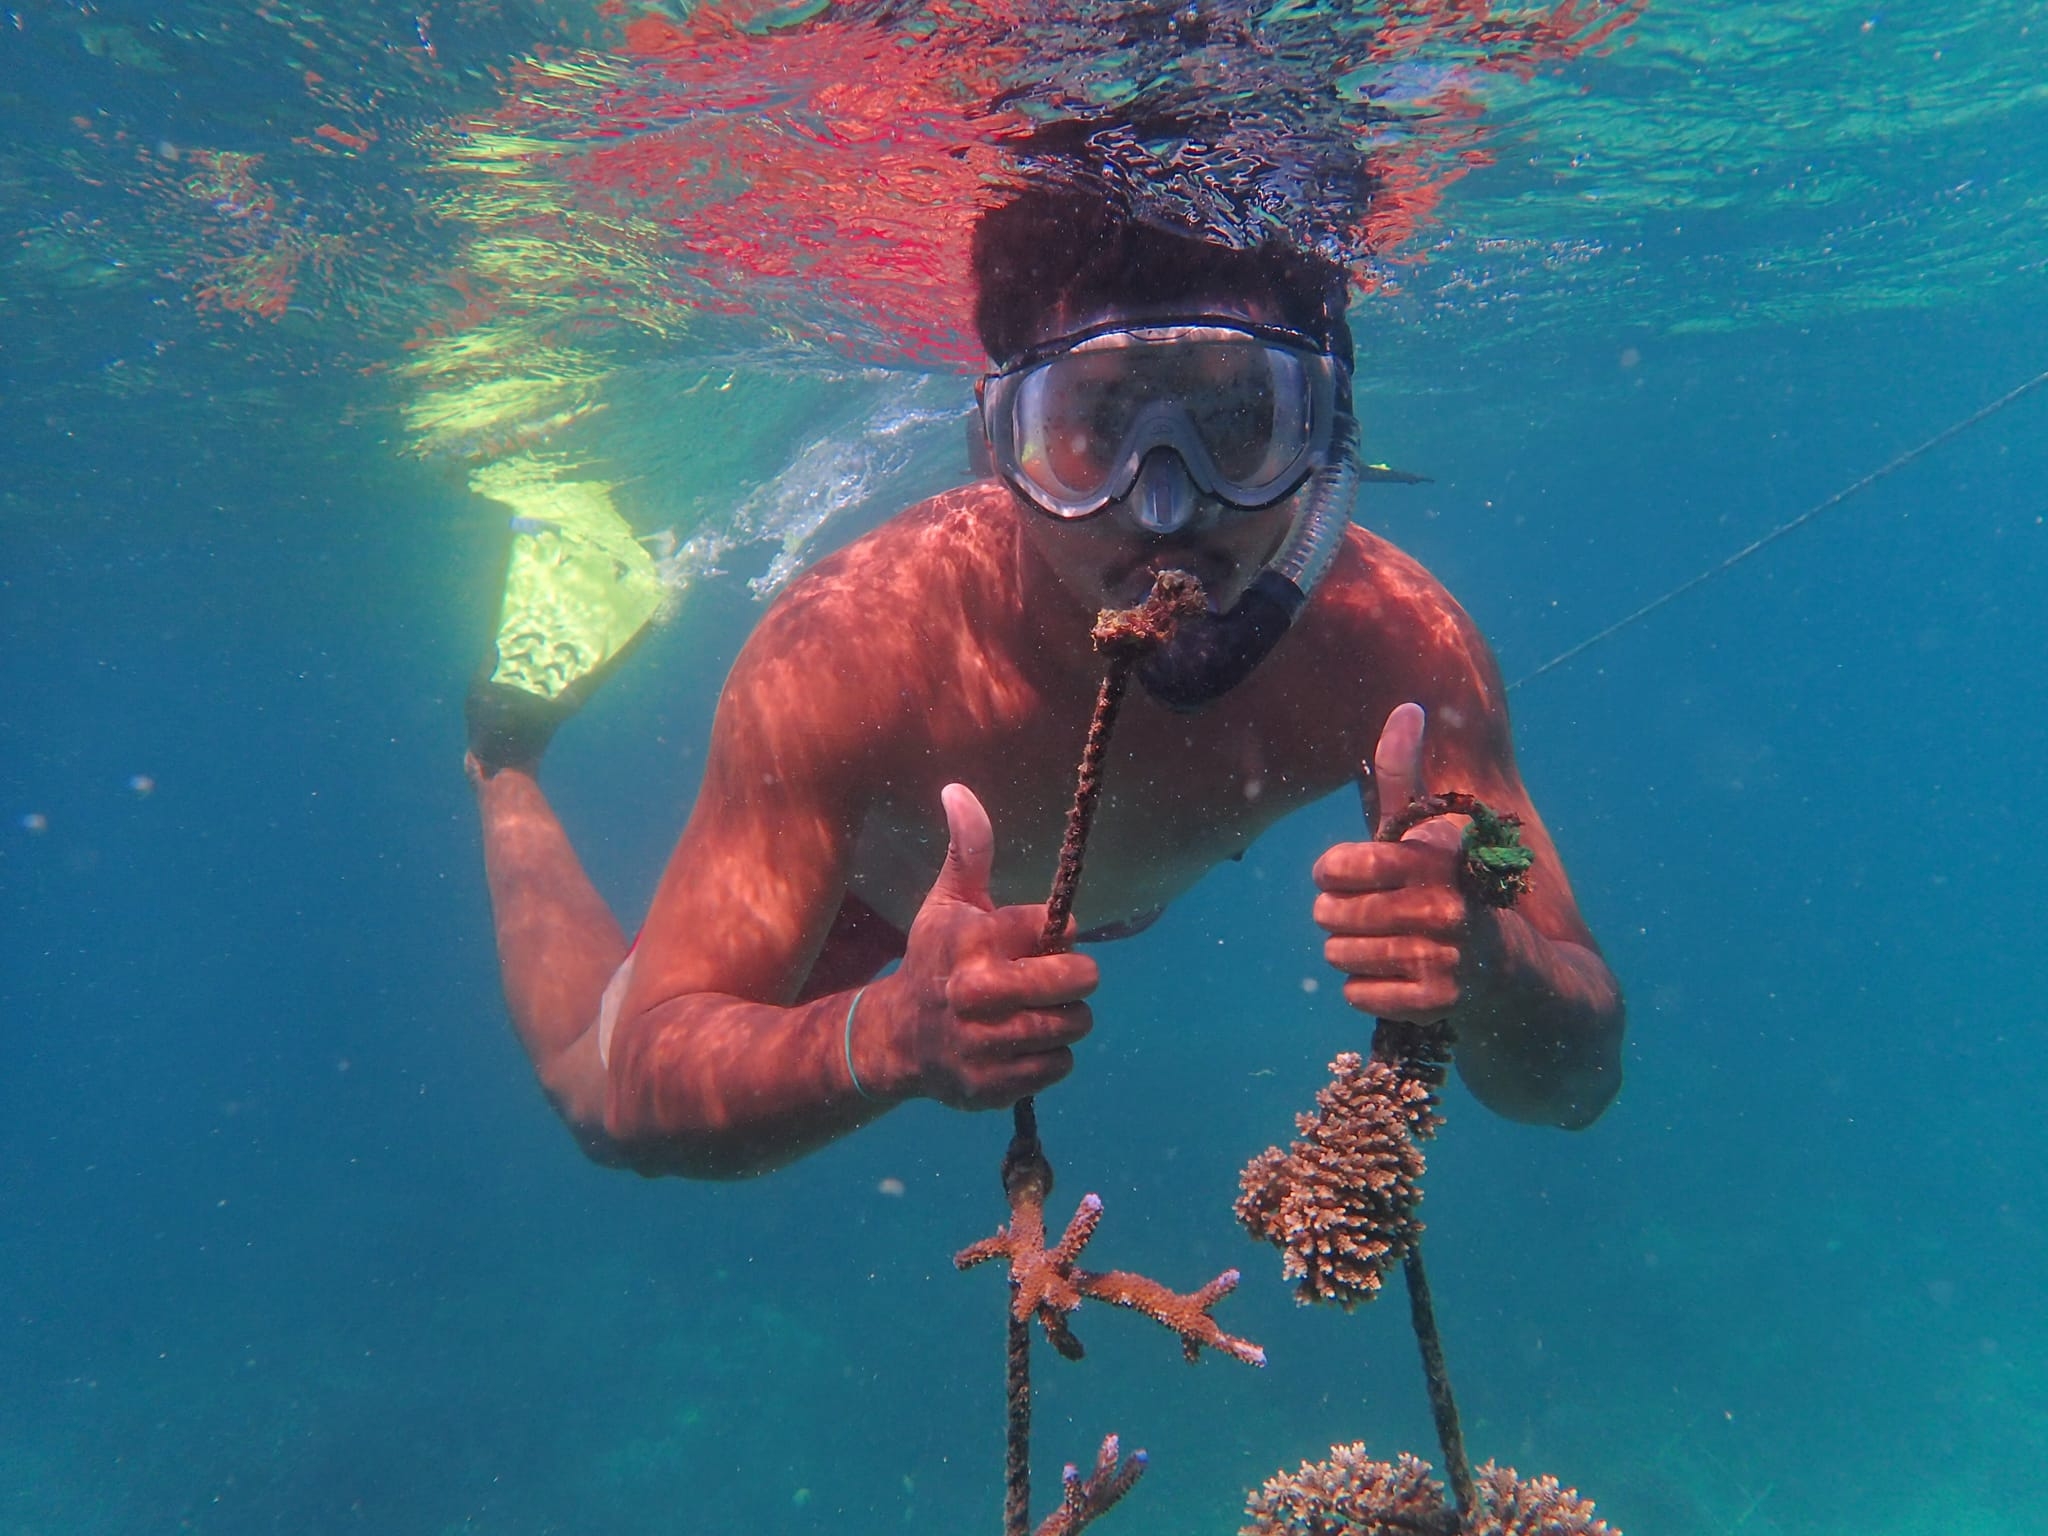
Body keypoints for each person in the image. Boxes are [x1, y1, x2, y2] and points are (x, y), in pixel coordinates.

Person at [465, 186, 1625, 1178]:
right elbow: (640, 1086)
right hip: (888, 900)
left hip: (1080, 895)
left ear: (1324, 448)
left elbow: (1576, 1082)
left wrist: (1489, 965)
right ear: (996, 455)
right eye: (1092, 428)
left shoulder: (1397, 645)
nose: (1165, 504)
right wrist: (883, 1036)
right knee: (590, 1096)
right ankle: (503, 748)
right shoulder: (849, 650)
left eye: (1237, 422)